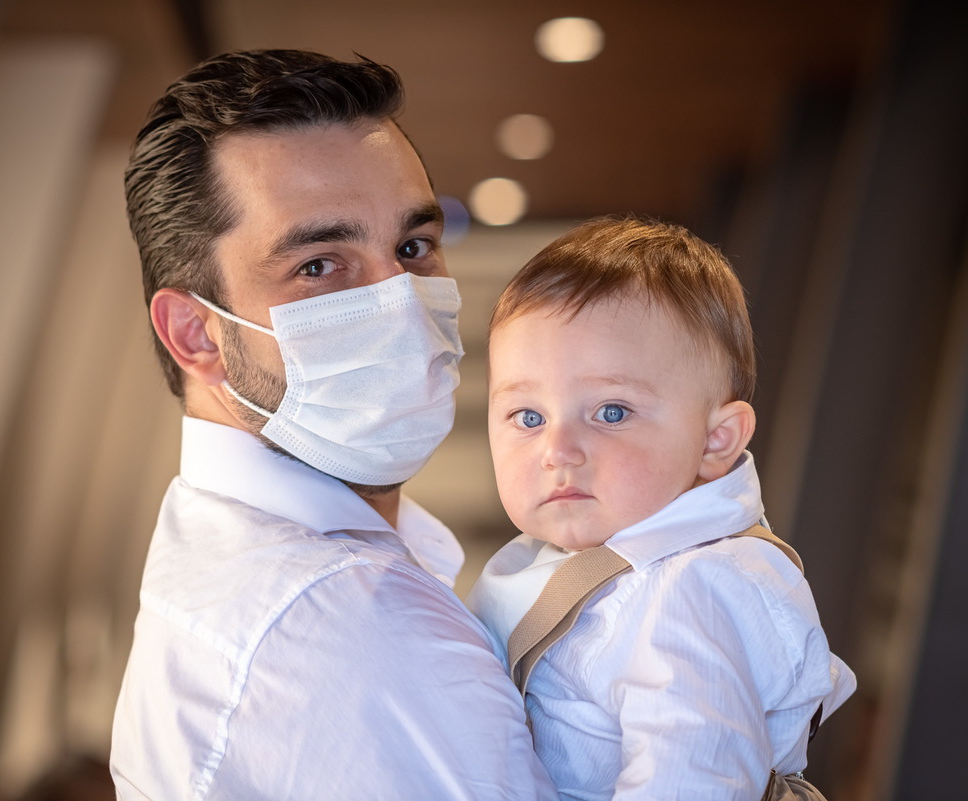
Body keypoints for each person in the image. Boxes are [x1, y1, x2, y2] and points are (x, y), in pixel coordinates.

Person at [110, 49, 555, 799]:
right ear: (193, 333)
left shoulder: (223, 560)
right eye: (319, 265)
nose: (401, 303)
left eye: (413, 247)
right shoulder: (349, 622)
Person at [467, 217, 856, 800]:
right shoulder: (577, 559)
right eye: (529, 417)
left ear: (715, 440)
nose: (558, 451)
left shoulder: (690, 587)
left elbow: (692, 779)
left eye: (612, 412)